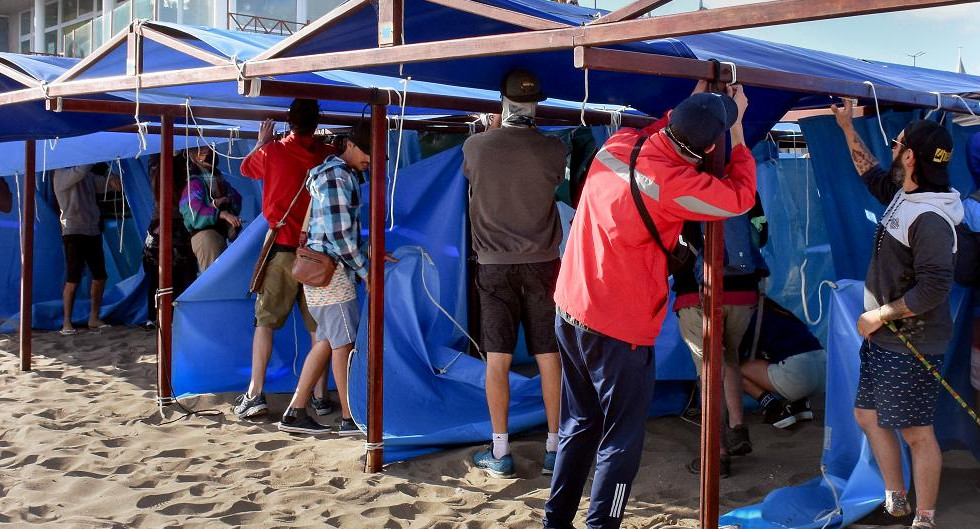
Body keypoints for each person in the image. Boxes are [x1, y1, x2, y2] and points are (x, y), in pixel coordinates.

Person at [544, 82, 756, 529]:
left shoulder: (622, 143)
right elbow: (740, 197)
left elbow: (662, 134)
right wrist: (736, 133)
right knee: (621, 439)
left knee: (580, 422)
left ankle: (555, 521)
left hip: (570, 305)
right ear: (709, 146)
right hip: (618, 326)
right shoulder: (676, 183)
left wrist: (697, 106)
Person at [833, 98, 962, 529]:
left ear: (909, 157)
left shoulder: (929, 218)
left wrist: (881, 315)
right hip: (887, 337)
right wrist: (847, 127)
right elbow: (872, 174)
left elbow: (935, 287)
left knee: (916, 432)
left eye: (896, 143)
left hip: (912, 340)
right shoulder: (907, 196)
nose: (890, 149)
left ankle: (923, 519)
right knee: (868, 416)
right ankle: (896, 500)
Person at [463, 69, 567, 478]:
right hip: (544, 263)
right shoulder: (554, 149)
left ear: (501, 102)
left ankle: (501, 451)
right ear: (537, 103)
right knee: (549, 356)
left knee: (497, 360)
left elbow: (477, 170)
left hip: (494, 266)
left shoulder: (475, 147)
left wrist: (491, 130)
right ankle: (555, 449)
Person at [279, 122, 390, 435]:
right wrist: (366, 271)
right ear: (352, 145)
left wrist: (370, 253)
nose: (373, 160)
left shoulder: (336, 174)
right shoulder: (337, 176)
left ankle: (295, 411)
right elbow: (339, 235)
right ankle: (349, 417)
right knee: (344, 344)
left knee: (329, 341)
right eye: (371, 152)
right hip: (332, 274)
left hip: (325, 271)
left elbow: (338, 233)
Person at [234, 99, 336, 419]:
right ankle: (319, 396)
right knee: (317, 327)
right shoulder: (325, 154)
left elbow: (245, 169)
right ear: (317, 121)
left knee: (265, 321)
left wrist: (263, 141)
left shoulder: (273, 151)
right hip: (318, 252)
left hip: (281, 248)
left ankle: (255, 394)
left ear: (288, 122)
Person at [673, 195, 768, 477]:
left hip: (697, 293)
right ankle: (738, 430)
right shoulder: (744, 184)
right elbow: (761, 234)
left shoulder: (681, 179)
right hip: (743, 293)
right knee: (730, 358)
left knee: (708, 372)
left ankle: (717, 453)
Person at [52, 163, 119, 335]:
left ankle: (94, 318)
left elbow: (107, 185)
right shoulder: (61, 174)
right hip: (73, 231)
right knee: (73, 278)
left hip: (92, 230)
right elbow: (79, 172)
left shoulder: (87, 176)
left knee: (100, 275)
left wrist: (112, 177)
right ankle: (67, 321)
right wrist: (95, 156)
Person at [738, 297, 823, 429]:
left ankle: (774, 409)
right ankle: (800, 405)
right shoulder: (780, 312)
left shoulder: (750, 317)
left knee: (733, 368)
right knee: (777, 358)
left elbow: (736, 354)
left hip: (798, 376)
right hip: (824, 373)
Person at [143, 154, 197, 326]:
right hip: (171, 223)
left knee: (163, 272)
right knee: (177, 271)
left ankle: (158, 316)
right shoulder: (176, 165)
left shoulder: (159, 164)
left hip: (168, 223)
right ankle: (166, 315)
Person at [179, 147, 243, 273]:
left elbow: (237, 198)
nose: (209, 152)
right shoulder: (194, 183)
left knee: (224, 279)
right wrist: (221, 214)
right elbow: (194, 214)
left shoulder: (219, 180)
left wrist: (226, 200)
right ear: (195, 157)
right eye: (202, 150)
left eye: (210, 148)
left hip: (219, 236)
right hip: (206, 237)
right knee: (217, 280)